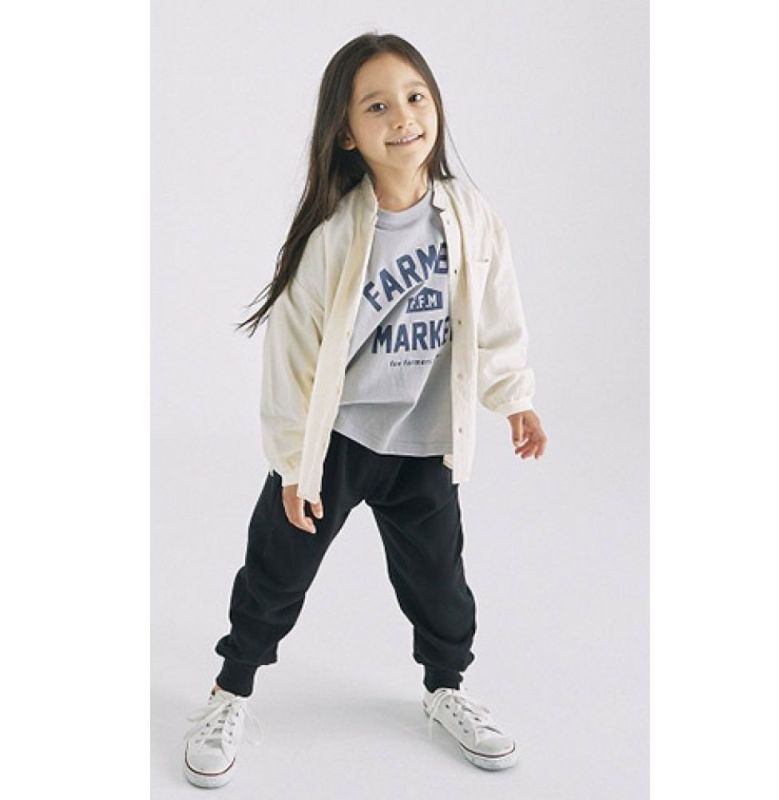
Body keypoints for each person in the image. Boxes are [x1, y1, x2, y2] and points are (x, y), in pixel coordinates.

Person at [181, 32, 548, 788]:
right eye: (377, 106)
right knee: (276, 572)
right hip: (339, 439)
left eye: (415, 96)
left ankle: (446, 689)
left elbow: (497, 312)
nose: (403, 116)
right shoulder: (335, 232)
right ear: (347, 133)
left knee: (440, 583)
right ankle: (230, 691)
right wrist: (294, 463)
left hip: (424, 439)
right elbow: (291, 354)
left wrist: (514, 397)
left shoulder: (469, 214)